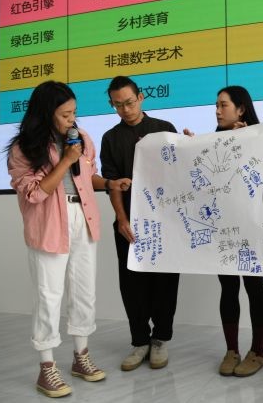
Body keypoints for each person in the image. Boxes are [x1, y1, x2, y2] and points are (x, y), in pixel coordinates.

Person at [6, 81, 107, 397]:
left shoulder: (82, 138)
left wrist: (110, 183)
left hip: (83, 218)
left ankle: (81, 356)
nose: (72, 119)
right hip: (49, 222)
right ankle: (46, 367)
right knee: (48, 295)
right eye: (65, 114)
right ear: (46, 113)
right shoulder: (24, 147)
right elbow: (34, 194)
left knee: (84, 291)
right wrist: (65, 159)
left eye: (74, 112)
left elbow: (88, 176)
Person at [182, 87, 263, 377]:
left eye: (223, 105)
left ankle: (257, 352)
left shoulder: (259, 138)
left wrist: (248, 143)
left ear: (241, 109)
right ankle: (232, 350)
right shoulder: (212, 141)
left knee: (255, 288)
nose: (217, 111)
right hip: (223, 230)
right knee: (229, 288)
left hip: (251, 229)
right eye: (216, 106)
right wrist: (190, 150)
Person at [98, 76, 180, 371]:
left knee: (165, 283)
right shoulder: (110, 138)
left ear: (141, 97)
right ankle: (139, 341)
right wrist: (121, 219)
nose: (125, 109)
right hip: (129, 223)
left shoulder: (164, 129)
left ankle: (160, 339)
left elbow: (179, 173)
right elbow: (111, 183)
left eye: (129, 102)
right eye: (117, 105)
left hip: (164, 223)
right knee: (132, 284)